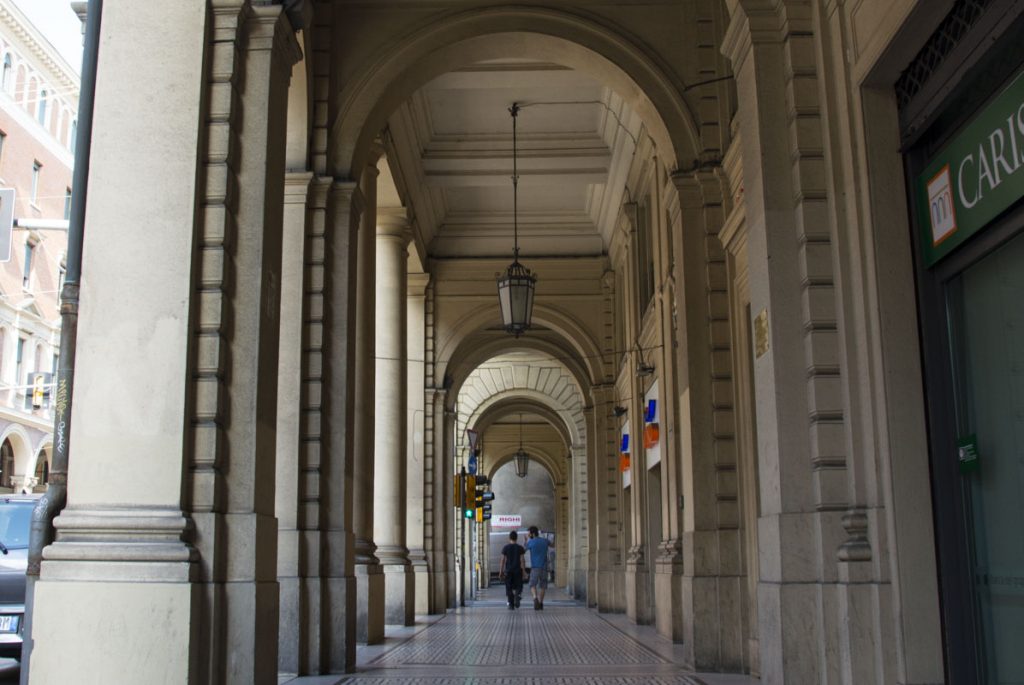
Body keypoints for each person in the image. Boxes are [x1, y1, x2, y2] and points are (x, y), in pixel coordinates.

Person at [525, 525, 551, 610]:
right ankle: (541, 603)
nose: (528, 535)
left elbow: (524, 549)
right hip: (544, 566)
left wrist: (526, 540)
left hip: (535, 567)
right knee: (543, 585)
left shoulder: (531, 542)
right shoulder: (544, 541)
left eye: (529, 534)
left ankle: (535, 598)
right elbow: (552, 544)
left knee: (532, 584)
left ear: (532, 534)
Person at [498, 530, 526, 609]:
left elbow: (502, 560)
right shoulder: (520, 548)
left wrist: (501, 571)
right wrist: (524, 571)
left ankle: (511, 604)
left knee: (509, 587)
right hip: (518, 570)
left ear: (509, 538)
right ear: (516, 538)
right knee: (518, 586)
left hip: (508, 571)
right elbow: (522, 560)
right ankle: (517, 595)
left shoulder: (506, 548)